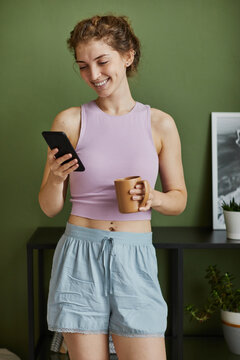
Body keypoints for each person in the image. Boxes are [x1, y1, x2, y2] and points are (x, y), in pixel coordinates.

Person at [38, 13, 187, 360]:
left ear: (128, 55)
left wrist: (154, 197)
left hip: (134, 258)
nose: (94, 75)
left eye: (102, 61)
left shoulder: (160, 124)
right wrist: (58, 178)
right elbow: (49, 207)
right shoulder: (70, 120)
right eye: (83, 66)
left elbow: (178, 199)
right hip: (79, 256)